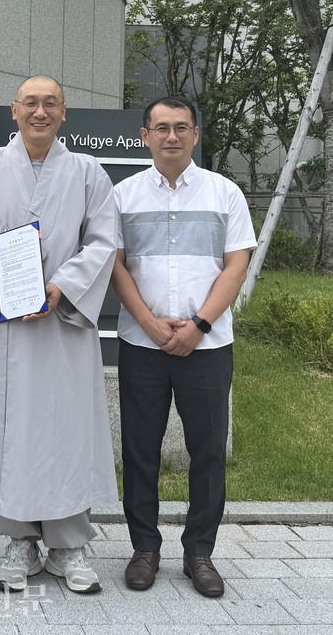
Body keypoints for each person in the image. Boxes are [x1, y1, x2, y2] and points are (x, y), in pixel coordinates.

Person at [0, 75, 119, 594]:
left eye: (50, 104)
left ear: (65, 114)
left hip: (61, 327)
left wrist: (61, 287)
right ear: (14, 112)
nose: (39, 112)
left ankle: (69, 546)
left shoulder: (88, 171)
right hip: (2, 329)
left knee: (62, 431)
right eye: (30, 103)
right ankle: (17, 541)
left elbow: (104, 241)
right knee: (5, 429)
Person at [111, 96, 256, 598]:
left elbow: (235, 266)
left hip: (209, 345)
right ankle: (144, 550)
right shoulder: (123, 195)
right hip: (141, 343)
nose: (171, 137)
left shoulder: (225, 193)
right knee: (139, 449)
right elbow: (116, 266)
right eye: (161, 128)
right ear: (144, 135)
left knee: (208, 451)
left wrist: (197, 324)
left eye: (181, 128)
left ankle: (200, 553)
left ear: (195, 134)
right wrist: (150, 324)